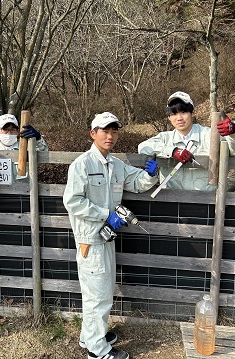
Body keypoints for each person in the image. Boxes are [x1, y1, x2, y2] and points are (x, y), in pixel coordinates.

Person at [63, 112, 159, 359]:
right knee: (99, 296)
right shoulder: (82, 164)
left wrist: (150, 174)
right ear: (92, 133)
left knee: (99, 291)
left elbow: (136, 182)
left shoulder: (115, 164)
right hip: (90, 240)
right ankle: (97, 351)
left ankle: (90, 337)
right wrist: (105, 214)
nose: (110, 135)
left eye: (114, 131)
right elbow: (72, 202)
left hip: (106, 237)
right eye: (105, 130)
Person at [138, 91, 235, 191]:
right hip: (171, 201)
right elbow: (143, 147)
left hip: (204, 202)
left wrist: (234, 131)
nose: (179, 118)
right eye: (174, 114)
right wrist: (172, 151)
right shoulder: (165, 138)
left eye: (184, 112)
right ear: (169, 117)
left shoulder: (209, 135)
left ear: (192, 112)